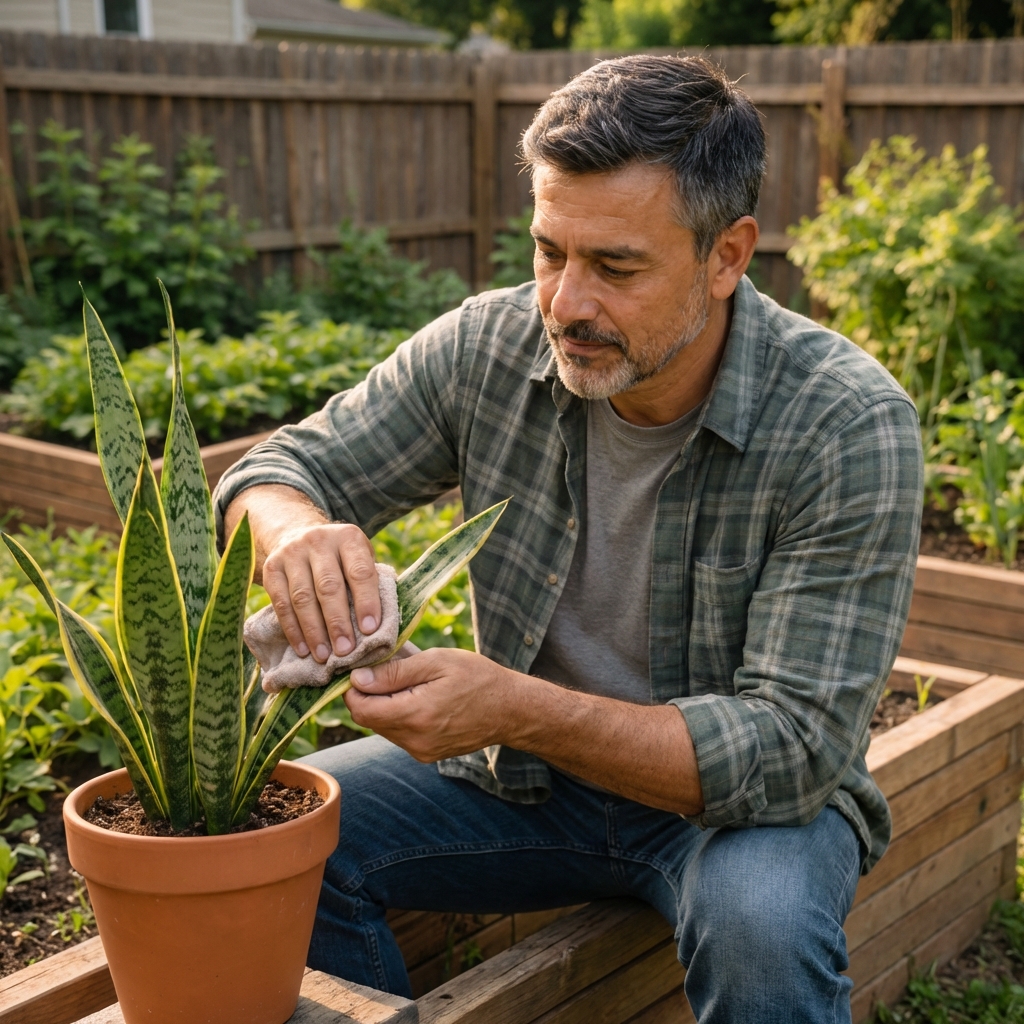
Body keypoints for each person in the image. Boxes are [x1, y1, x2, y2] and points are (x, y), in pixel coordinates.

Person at [214, 54, 923, 1023]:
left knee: (757, 922)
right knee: (271, 845)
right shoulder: (488, 347)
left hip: (738, 815)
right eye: (550, 251)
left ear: (727, 255)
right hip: (521, 784)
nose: (566, 303)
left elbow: (793, 747)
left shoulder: (845, 424)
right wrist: (292, 530)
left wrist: (516, 706)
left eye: (615, 266)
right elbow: (275, 469)